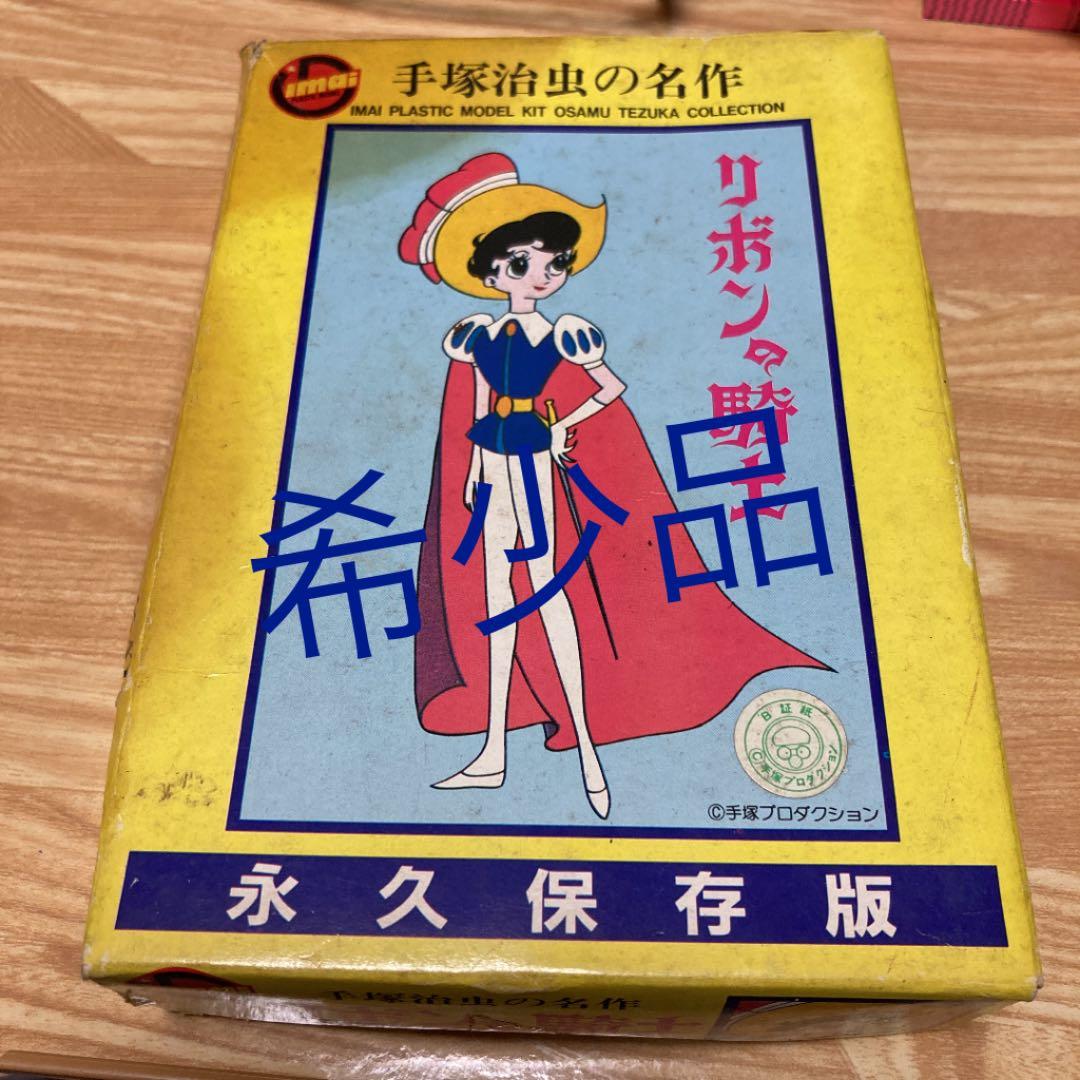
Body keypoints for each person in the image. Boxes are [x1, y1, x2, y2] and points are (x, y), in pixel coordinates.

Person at [399, 152, 824, 821]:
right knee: (494, 604)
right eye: (523, 263)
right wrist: (476, 475)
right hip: (495, 470)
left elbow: (609, 388)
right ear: (492, 271)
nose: (542, 275)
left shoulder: (564, 333)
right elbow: (477, 410)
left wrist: (561, 426)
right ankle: (492, 753)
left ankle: (589, 750)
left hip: (535, 465)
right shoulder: (477, 335)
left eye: (552, 263)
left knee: (548, 597)